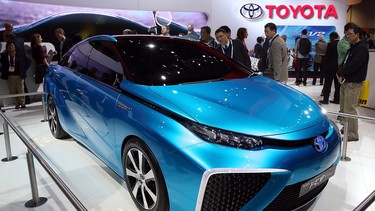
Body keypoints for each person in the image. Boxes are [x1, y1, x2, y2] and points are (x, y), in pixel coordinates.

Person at [336, 24, 369, 142]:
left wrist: (341, 71)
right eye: (346, 34)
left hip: (354, 82)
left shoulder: (362, 48)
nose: (347, 36)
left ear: (357, 34)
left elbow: (355, 64)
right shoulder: (353, 47)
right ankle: (347, 128)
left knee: (350, 108)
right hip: (347, 80)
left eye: (350, 34)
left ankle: (353, 133)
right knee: (344, 107)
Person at [0, 42, 31, 109]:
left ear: (15, 47)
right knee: (12, 91)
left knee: (21, 90)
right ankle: (16, 104)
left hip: (19, 75)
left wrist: (24, 69)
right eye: (9, 46)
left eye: (12, 45)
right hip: (9, 76)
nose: (10, 47)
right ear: (7, 47)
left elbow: (28, 61)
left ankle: (22, 104)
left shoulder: (20, 55)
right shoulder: (4, 55)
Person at [319, 32, 340, 105]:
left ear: (332, 37)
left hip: (330, 67)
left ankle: (325, 100)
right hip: (338, 67)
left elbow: (328, 56)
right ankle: (337, 99)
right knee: (337, 85)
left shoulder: (331, 45)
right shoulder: (340, 44)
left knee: (328, 84)